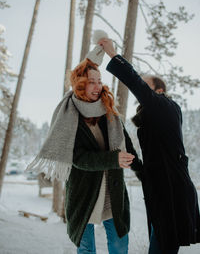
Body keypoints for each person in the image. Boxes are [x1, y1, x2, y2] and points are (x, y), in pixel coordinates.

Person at [27, 58, 143, 254]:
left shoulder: (109, 111)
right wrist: (112, 159)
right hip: (84, 194)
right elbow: (78, 158)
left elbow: (128, 147)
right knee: (87, 249)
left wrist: (143, 172)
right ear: (80, 84)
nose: (98, 86)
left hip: (112, 192)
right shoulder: (69, 117)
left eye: (99, 81)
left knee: (119, 246)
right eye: (91, 81)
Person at [98, 38, 200, 254]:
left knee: (163, 245)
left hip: (172, 191)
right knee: (160, 242)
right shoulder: (157, 114)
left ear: (159, 90)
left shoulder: (165, 106)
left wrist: (112, 54)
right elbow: (152, 159)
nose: (141, 92)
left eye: (147, 86)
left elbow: (134, 81)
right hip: (161, 189)